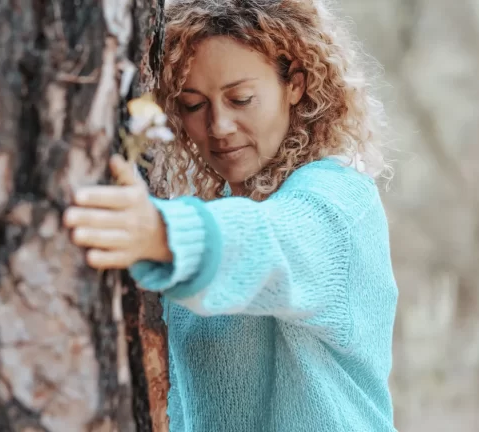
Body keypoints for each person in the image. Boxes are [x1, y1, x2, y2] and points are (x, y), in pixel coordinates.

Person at [62, 0, 399, 430]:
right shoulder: (206, 216)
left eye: (240, 99)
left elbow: (273, 243)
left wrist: (161, 233)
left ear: (294, 83)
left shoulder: (340, 204)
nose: (218, 126)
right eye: (193, 105)